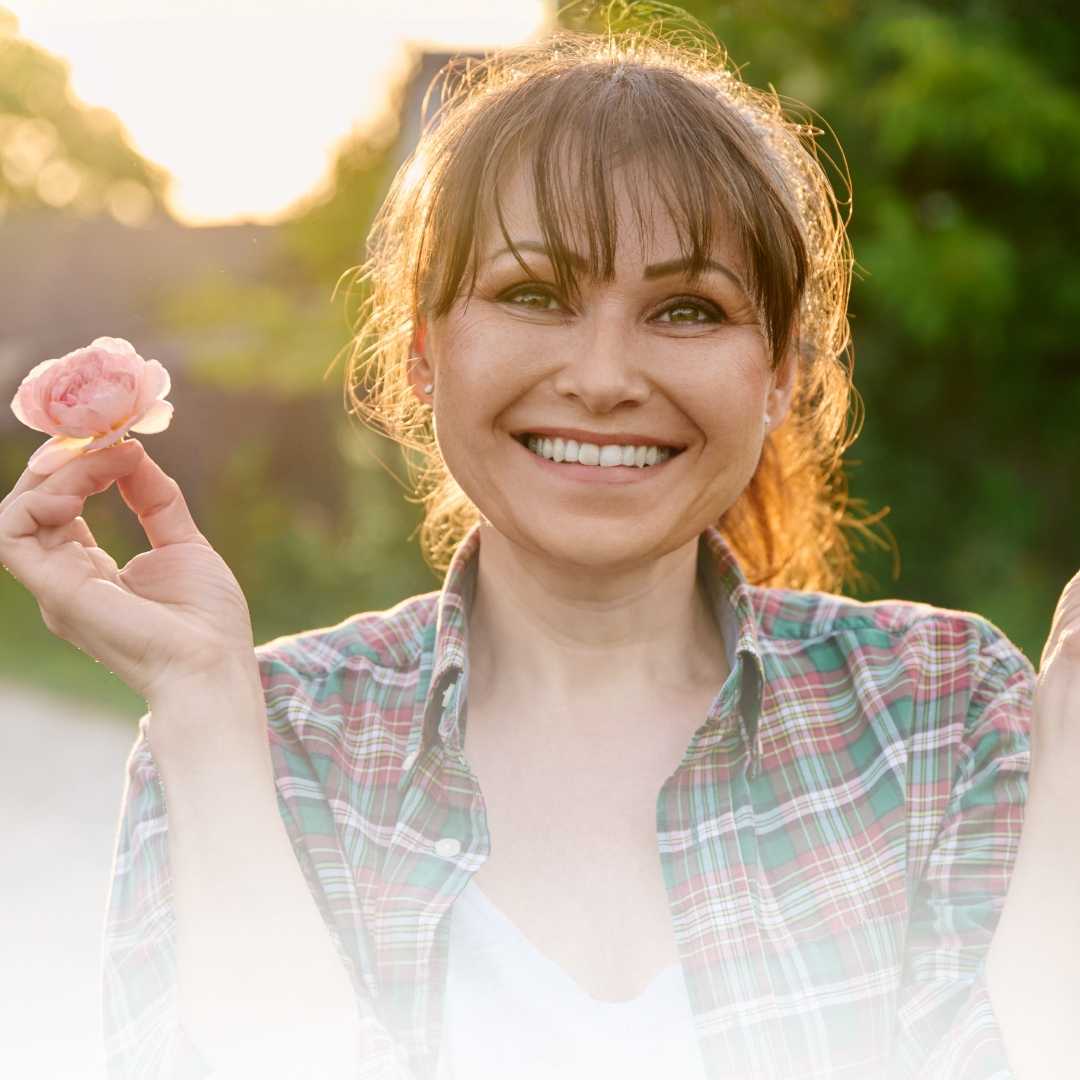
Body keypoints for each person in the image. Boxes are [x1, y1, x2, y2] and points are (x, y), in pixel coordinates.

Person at [1, 7, 1075, 1080]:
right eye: (532, 294)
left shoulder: (943, 713)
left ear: (784, 372)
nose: (604, 377)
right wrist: (197, 698)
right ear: (423, 355)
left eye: (689, 310)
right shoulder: (266, 742)